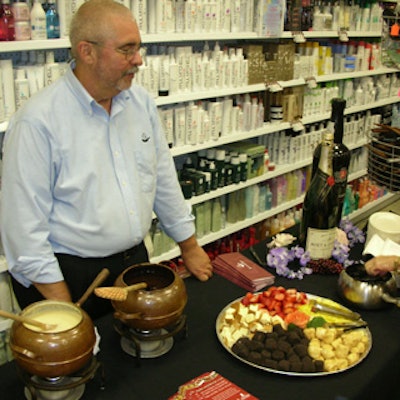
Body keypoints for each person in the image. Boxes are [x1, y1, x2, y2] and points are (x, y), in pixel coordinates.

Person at [0, 0, 212, 319]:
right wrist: (65, 308)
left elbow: (162, 178)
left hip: (132, 264)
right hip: (67, 277)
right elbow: (23, 231)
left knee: (143, 360)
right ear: (87, 52)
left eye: (138, 48)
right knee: (86, 364)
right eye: (127, 50)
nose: (138, 60)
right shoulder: (38, 122)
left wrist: (189, 245)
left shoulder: (139, 103)